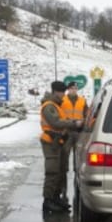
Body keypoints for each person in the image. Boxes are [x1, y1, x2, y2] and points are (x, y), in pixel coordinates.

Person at [41, 81, 82, 213]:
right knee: (52, 171)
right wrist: (73, 123)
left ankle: (55, 198)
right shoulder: (49, 106)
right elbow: (56, 122)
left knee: (59, 170)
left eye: (63, 92)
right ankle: (48, 201)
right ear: (55, 92)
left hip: (57, 142)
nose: (63, 95)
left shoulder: (55, 105)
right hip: (50, 142)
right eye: (61, 92)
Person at [58, 81, 88, 203]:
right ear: (68, 89)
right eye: (71, 88)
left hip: (78, 133)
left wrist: (83, 123)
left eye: (75, 88)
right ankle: (63, 189)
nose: (74, 90)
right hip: (66, 132)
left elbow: (87, 115)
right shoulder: (62, 100)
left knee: (78, 162)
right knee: (64, 161)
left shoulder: (82, 101)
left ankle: (78, 186)